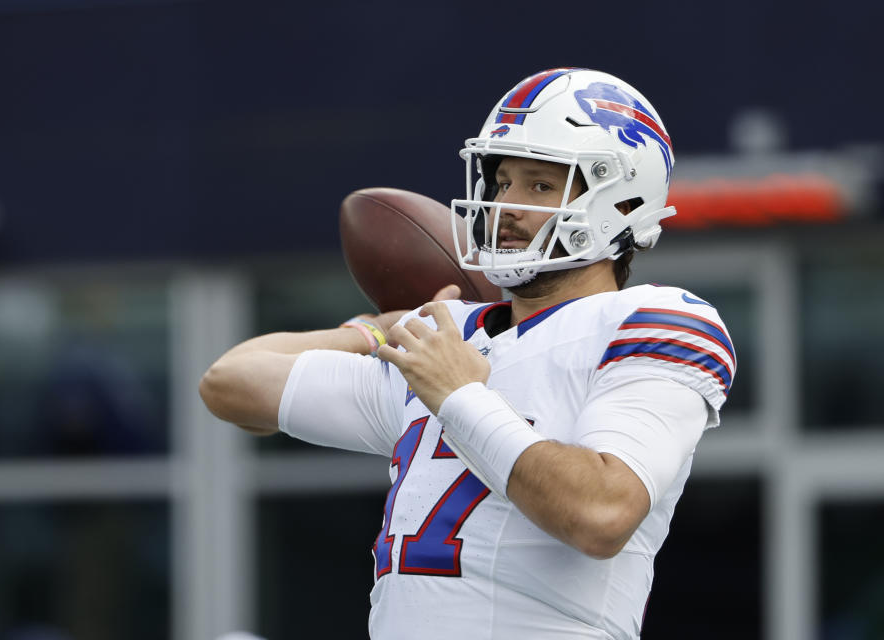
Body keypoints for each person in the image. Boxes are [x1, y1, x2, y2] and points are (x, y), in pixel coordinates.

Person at [200, 68, 736, 640]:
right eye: (502, 182)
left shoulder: (653, 319)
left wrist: (460, 396)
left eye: (539, 185)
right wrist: (373, 332)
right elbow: (231, 383)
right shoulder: (445, 337)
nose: (506, 206)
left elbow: (601, 515)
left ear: (621, 200)